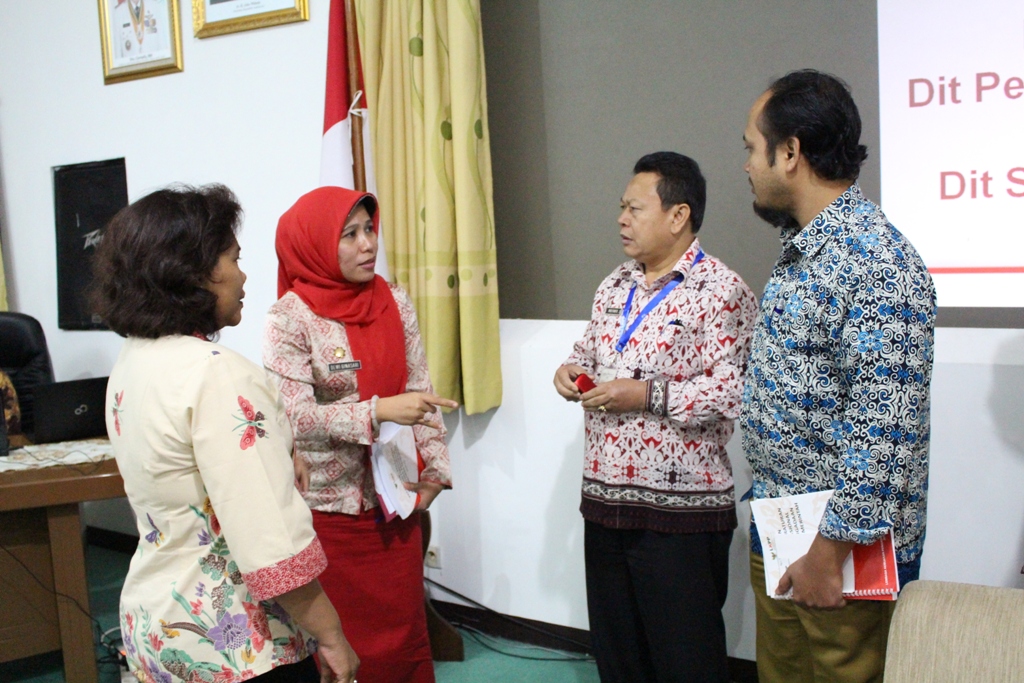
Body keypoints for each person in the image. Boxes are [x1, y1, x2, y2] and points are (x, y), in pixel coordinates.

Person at [93, 185, 359, 683]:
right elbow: (268, 536)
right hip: (233, 642)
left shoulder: (134, 361)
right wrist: (330, 633)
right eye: (234, 258)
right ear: (192, 273)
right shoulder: (216, 372)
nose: (243, 275)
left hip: (157, 623)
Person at [740, 69, 936, 683]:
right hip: (781, 526)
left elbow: (885, 431)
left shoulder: (878, 263)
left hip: (840, 553)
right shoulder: (802, 250)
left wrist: (829, 550)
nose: (747, 164)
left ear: (790, 152)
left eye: (752, 147)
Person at [553, 152, 758, 683]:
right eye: (621, 207)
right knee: (619, 658)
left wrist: (646, 395)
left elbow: (734, 390)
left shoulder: (722, 290)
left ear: (678, 215)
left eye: (635, 208)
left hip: (681, 516)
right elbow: (588, 351)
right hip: (606, 504)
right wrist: (569, 370)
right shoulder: (613, 285)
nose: (621, 219)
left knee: (685, 662)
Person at [264, 186, 457, 683]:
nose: (368, 244)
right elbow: (294, 416)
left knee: (403, 646)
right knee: (340, 654)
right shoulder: (291, 317)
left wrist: (435, 473)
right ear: (314, 244)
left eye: (369, 229)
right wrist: (376, 411)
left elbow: (421, 392)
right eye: (349, 235)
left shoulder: (394, 300)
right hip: (328, 515)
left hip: (394, 508)